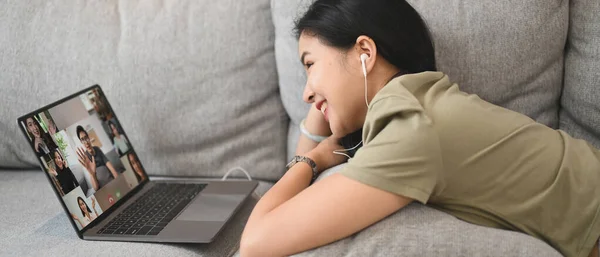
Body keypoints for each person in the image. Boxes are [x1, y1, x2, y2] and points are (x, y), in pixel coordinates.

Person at [239, 1, 600, 257]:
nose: (304, 92)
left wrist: (313, 159)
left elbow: (256, 242)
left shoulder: (409, 131)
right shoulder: (415, 104)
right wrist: (321, 103)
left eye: (311, 64)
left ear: (365, 51)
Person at [75, 125, 119, 191]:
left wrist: (118, 180)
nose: (86, 142)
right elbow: (95, 188)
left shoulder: (97, 149)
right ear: (81, 142)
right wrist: (92, 174)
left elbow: (111, 168)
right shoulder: (85, 157)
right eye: (82, 140)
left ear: (89, 138)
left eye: (86, 138)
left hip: (111, 180)